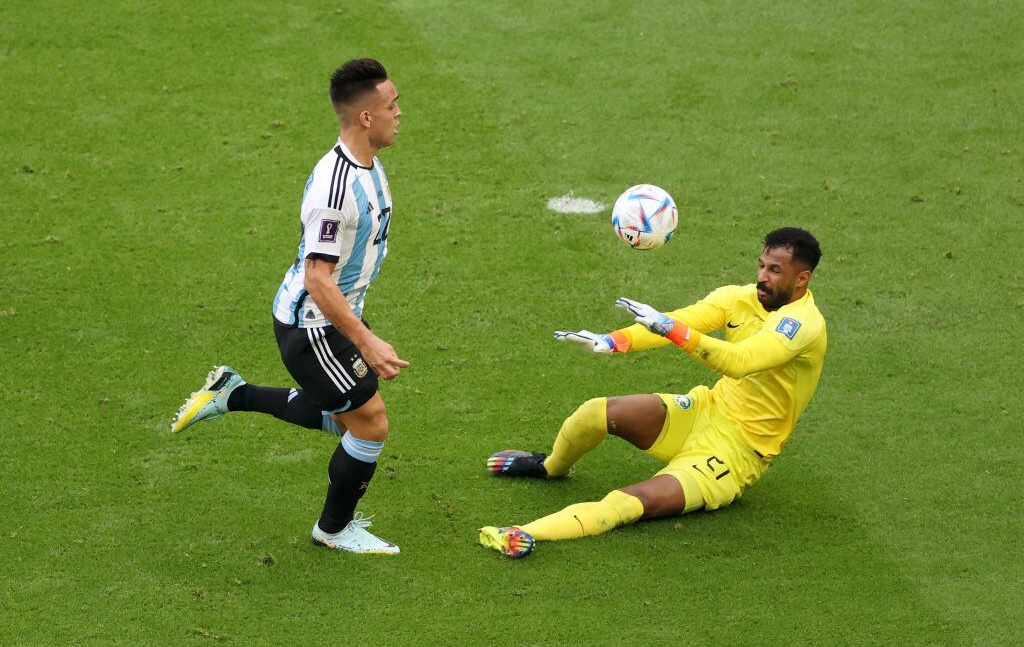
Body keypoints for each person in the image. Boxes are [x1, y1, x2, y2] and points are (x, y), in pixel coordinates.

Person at [172, 58, 408, 554]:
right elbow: (318, 279)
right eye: (392, 105)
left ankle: (234, 393)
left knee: (346, 417)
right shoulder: (335, 190)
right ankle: (333, 530)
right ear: (366, 117)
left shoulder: (366, 163)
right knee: (370, 424)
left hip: (336, 315)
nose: (399, 112)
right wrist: (366, 339)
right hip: (314, 326)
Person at [479, 227, 826, 558]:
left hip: (737, 453)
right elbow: (678, 320)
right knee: (594, 412)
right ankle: (551, 467)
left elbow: (740, 362)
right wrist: (613, 341)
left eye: (775, 270)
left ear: (802, 278)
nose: (762, 276)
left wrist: (673, 330)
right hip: (706, 410)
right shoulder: (739, 298)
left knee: (625, 503)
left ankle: (522, 532)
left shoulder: (802, 325)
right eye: (761, 265)